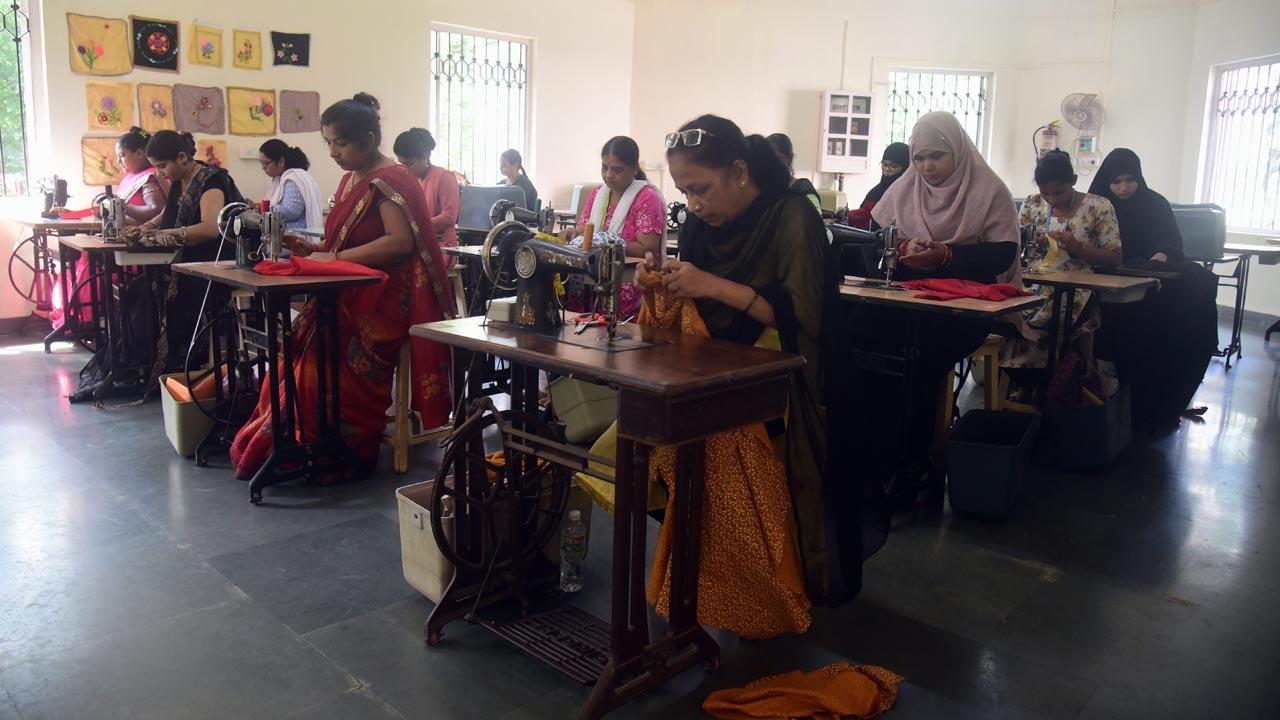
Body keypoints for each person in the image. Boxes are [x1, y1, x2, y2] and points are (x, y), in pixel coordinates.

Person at [656, 115, 846, 605]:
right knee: (637, 444)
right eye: (684, 192)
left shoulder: (792, 217)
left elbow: (801, 320)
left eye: (701, 188)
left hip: (777, 372)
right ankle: (713, 574)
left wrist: (712, 285)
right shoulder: (700, 220)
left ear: (739, 171)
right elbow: (697, 294)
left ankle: (763, 587)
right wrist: (668, 283)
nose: (694, 204)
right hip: (713, 363)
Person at [231, 93, 454, 481]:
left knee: (321, 363)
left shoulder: (390, 180)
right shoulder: (353, 178)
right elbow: (345, 246)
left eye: (341, 142)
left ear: (368, 139)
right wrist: (315, 249)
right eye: (328, 142)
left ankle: (339, 449)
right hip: (352, 288)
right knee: (291, 355)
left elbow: (398, 243)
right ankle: (297, 443)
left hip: (384, 297)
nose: (333, 152)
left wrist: (333, 260)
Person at [834, 111, 1020, 521]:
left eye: (937, 156)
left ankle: (913, 469)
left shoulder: (988, 190)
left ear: (959, 152)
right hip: (912, 300)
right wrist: (903, 252)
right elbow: (881, 236)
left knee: (916, 362)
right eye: (920, 158)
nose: (927, 167)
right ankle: (871, 461)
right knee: (851, 341)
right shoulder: (907, 187)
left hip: (965, 310)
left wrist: (948, 254)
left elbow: (1003, 252)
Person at [1088, 148, 1218, 431]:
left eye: (1130, 180)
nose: (1123, 188)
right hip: (1105, 279)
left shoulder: (1154, 203)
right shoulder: (1095, 204)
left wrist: (1156, 258)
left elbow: (1168, 243)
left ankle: (1151, 401)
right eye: (1116, 181)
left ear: (1139, 177)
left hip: (1147, 278)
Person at [126, 130, 246, 372]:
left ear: (182, 157)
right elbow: (166, 214)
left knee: (155, 294)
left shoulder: (211, 181)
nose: (159, 173)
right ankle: (142, 364)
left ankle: (171, 365)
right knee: (138, 289)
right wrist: (147, 226)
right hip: (189, 263)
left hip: (214, 266)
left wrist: (162, 235)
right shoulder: (180, 181)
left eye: (162, 166)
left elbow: (210, 229)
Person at [1004, 150, 1122, 374]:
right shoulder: (1032, 204)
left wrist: (1078, 248)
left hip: (1077, 286)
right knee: (1012, 314)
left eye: (1059, 192)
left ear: (1074, 181)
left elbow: (1114, 258)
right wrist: (1035, 245)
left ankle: (1046, 382)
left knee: (1048, 320)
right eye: (1045, 193)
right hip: (1036, 280)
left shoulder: (1099, 207)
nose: (1052, 200)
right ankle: (1018, 379)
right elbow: (1019, 247)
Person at [560, 136, 665, 317]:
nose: (608, 174)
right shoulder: (597, 194)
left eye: (617, 170)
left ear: (634, 169)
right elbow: (585, 231)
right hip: (592, 280)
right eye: (604, 167)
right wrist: (573, 234)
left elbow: (646, 248)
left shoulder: (647, 198)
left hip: (629, 283)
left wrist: (603, 245)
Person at [393, 128, 460, 263]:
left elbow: (449, 218)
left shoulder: (444, 177)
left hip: (443, 247)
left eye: (409, 163)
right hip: (418, 243)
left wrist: (415, 226)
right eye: (402, 164)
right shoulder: (411, 181)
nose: (405, 169)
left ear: (425, 156)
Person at [258, 139, 325, 231]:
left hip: (297, 237)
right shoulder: (278, 179)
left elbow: (292, 211)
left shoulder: (292, 179)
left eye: (266, 163)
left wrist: (265, 208)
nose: (263, 167)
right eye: (261, 163)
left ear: (281, 161)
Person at [844, 142, 910, 228]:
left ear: (906, 168)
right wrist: (845, 216)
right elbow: (866, 214)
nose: (886, 169)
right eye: (884, 164)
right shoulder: (876, 192)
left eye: (893, 166)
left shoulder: (911, 193)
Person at [115, 126, 168, 225]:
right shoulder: (131, 177)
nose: (118, 161)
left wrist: (123, 207)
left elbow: (156, 210)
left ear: (139, 153)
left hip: (142, 235)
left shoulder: (150, 177)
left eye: (122, 155)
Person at [766, 133, 821, 214]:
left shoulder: (803, 188)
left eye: (777, 158)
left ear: (790, 158)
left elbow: (816, 221)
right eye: (768, 159)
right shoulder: (760, 188)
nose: (771, 164)